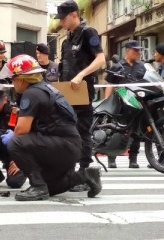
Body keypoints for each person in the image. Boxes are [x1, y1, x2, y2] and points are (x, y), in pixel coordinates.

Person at [0, 54, 102, 201]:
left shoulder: (31, 93)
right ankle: (85, 175)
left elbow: (21, 130)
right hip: (68, 147)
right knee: (51, 187)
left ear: (22, 79)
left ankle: (38, 187)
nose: (12, 83)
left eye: (13, 79)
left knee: (15, 142)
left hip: (62, 146)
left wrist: (14, 154)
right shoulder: (45, 88)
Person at [56, 0, 106, 191]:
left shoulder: (88, 33)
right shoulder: (67, 39)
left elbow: (101, 59)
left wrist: (81, 74)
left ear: (74, 15)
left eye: (63, 18)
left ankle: (86, 174)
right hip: (67, 93)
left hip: (83, 90)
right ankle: (70, 171)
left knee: (82, 131)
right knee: (68, 131)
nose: (61, 22)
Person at [104, 40, 146, 169]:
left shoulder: (142, 66)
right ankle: (112, 158)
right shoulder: (117, 66)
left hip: (137, 103)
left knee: (137, 132)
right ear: (127, 50)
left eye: (139, 50)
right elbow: (109, 85)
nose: (138, 53)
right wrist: (107, 102)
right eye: (135, 50)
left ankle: (133, 159)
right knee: (116, 130)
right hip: (120, 102)